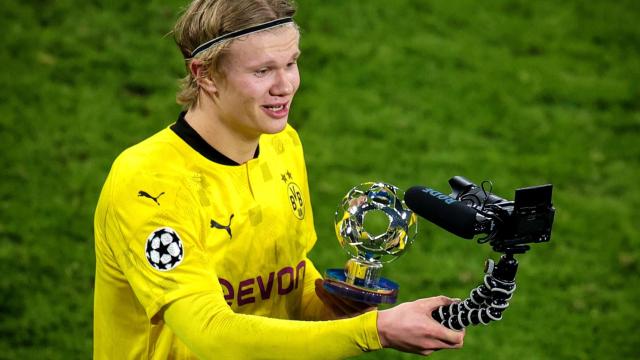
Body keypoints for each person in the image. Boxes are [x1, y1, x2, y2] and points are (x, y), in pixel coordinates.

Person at [93, 0, 465, 358]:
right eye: (262, 71)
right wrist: (375, 331)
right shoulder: (149, 184)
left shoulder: (281, 144)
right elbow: (211, 335)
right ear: (203, 74)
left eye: (291, 63)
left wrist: (345, 308)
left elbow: (289, 279)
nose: (285, 85)